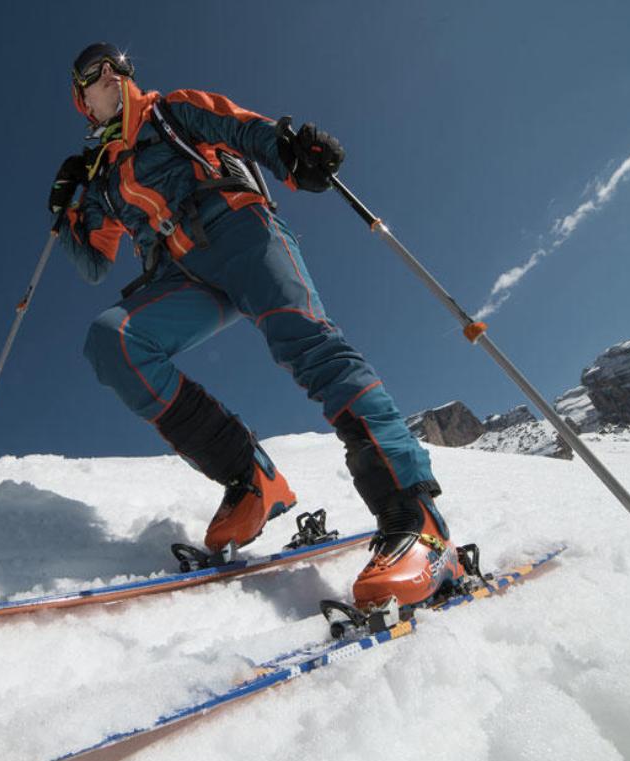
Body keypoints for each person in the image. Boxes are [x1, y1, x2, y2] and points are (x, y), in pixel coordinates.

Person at [47, 43, 465, 610]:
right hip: (180, 273)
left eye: (114, 69)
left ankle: (416, 520)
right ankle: (251, 481)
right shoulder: (102, 180)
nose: (110, 77)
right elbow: (96, 262)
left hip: (240, 233)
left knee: (309, 345)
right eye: (94, 78)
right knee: (113, 340)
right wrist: (67, 211)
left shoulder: (168, 111)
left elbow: (240, 128)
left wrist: (290, 153)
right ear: (83, 103)